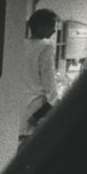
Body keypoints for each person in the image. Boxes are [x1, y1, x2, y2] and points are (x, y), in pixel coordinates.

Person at [18, 8, 60, 149]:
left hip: (19, 107)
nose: (54, 31)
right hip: (36, 109)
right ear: (40, 26)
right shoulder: (46, 46)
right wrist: (53, 104)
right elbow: (50, 82)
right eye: (51, 26)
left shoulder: (20, 44)